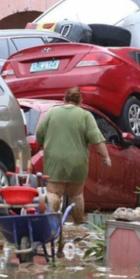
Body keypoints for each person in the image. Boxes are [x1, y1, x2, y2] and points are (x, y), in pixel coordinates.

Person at [35, 87, 111, 224]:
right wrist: (106, 157)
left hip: (54, 162)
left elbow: (39, 134)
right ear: (80, 101)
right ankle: (78, 224)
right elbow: (97, 138)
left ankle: (51, 225)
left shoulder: (51, 113)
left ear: (64, 99)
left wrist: (40, 144)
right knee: (76, 195)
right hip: (78, 163)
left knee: (53, 193)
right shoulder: (85, 115)